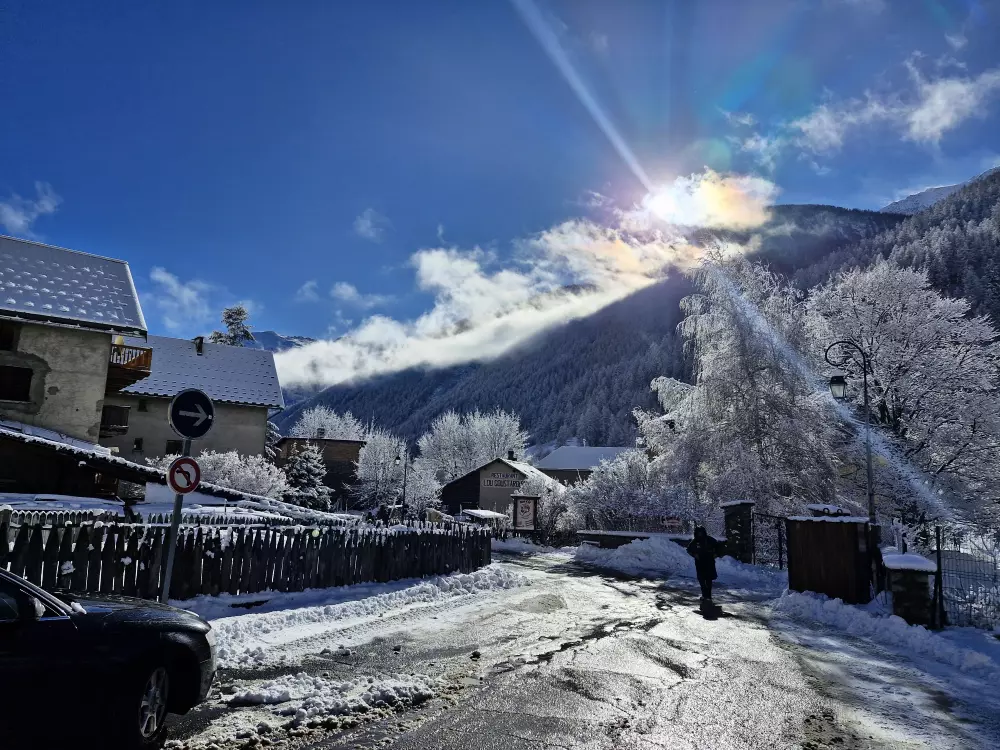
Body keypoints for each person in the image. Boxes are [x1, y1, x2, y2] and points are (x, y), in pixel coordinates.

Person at [686, 527, 719, 602]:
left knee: (708, 579)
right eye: (698, 532)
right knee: (701, 579)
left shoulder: (710, 540)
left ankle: (708, 596)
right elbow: (689, 550)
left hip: (709, 562)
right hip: (700, 563)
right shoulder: (695, 541)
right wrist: (694, 554)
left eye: (701, 532)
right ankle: (704, 595)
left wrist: (716, 554)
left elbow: (718, 547)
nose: (700, 534)